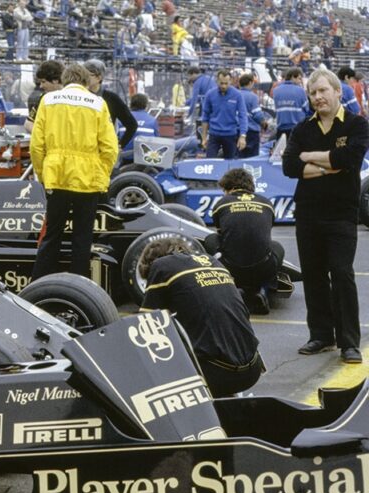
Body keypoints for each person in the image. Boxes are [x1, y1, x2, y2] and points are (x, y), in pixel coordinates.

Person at [282, 68, 369, 364]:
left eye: (322, 91)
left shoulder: (357, 124)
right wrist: (326, 164)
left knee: (342, 273)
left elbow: (349, 159)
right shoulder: (302, 129)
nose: (318, 97)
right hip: (307, 212)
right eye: (313, 93)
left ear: (338, 92)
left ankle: (348, 342)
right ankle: (321, 335)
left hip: (341, 213)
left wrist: (310, 156)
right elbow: (289, 166)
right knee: (314, 275)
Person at [139, 238, 263, 397]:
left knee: (152, 354)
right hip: (253, 369)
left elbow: (144, 324)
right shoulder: (212, 262)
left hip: (217, 375)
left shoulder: (161, 265)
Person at [30, 64, 119, 279]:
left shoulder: (48, 100)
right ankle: (77, 286)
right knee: (82, 237)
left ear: (64, 79)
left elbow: (36, 145)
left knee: (52, 235)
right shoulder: (98, 104)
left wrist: (43, 173)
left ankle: (38, 284)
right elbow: (110, 148)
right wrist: (102, 176)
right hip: (87, 179)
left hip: (56, 177)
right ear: (86, 81)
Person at [208, 168, 283, 314]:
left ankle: (232, 288)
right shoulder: (266, 203)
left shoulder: (222, 204)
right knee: (277, 246)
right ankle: (263, 290)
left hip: (232, 267)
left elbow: (221, 234)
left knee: (211, 239)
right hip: (263, 267)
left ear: (229, 188)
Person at [83, 59, 137, 150]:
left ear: (99, 77)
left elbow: (132, 125)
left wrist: (119, 146)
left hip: (102, 153)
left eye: (87, 75)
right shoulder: (79, 96)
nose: (83, 78)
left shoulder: (112, 99)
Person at [201, 69, 247, 159]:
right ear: (217, 81)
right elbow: (205, 117)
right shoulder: (210, 94)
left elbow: (243, 116)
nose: (223, 86)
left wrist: (242, 136)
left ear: (231, 81)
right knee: (210, 162)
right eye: (221, 83)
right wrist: (204, 137)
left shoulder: (237, 95)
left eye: (226, 83)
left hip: (230, 135)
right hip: (214, 135)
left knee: (230, 164)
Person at [25, 59, 63, 133]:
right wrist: (43, 137)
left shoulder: (72, 98)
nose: (41, 86)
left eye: (43, 82)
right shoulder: (44, 98)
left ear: (55, 80)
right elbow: (28, 123)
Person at [273, 67, 310, 141]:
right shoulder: (300, 91)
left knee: (282, 151)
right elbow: (307, 109)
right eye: (299, 78)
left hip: (281, 128)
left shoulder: (276, 90)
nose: (300, 81)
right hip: (297, 128)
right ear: (293, 77)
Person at [119, 93, 158, 159]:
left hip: (125, 158)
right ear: (145, 105)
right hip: (145, 160)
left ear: (130, 104)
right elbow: (157, 140)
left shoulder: (122, 118)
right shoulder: (152, 120)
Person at [237, 73, 266, 158]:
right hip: (251, 131)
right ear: (250, 83)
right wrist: (263, 123)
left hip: (237, 130)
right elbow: (257, 115)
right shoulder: (253, 96)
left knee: (238, 157)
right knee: (252, 159)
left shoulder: (235, 95)